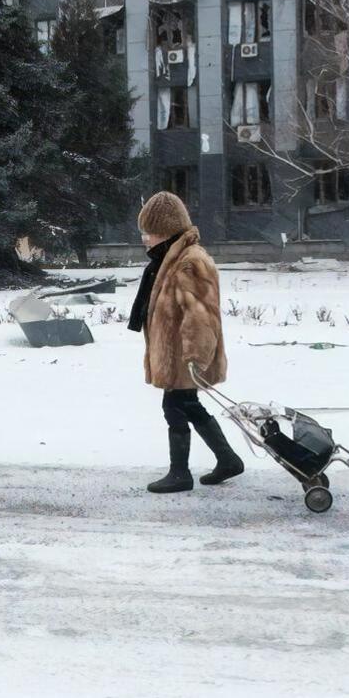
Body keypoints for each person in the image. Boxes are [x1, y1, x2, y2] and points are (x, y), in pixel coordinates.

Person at [127, 192, 244, 493]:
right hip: (178, 352)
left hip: (185, 354)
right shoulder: (172, 259)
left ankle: (180, 474)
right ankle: (227, 459)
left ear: (165, 231)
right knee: (188, 405)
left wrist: (194, 356)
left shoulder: (188, 263)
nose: (145, 240)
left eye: (149, 232)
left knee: (176, 406)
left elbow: (201, 315)